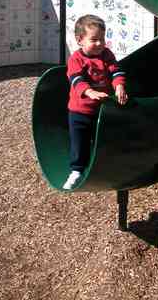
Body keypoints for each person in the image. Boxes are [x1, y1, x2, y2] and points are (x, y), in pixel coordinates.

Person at [63, 14, 128, 190]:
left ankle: (103, 166)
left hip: (102, 110)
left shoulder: (107, 55)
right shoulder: (76, 59)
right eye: (94, 40)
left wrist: (119, 87)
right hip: (80, 111)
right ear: (80, 40)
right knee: (79, 140)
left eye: (102, 39)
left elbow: (116, 72)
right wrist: (89, 91)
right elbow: (76, 79)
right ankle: (76, 170)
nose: (100, 44)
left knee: (101, 139)